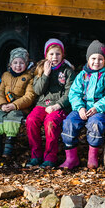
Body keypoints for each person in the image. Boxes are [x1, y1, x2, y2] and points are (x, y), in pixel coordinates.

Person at [61, 40, 105, 172]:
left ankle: (92, 156)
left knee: (96, 123)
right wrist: (80, 107)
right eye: (93, 58)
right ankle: (71, 158)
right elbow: (74, 93)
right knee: (69, 122)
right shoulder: (82, 75)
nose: (96, 62)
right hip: (81, 107)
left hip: (99, 109)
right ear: (88, 59)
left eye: (100, 59)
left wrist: (97, 107)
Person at [24, 39, 75, 168]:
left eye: (58, 54)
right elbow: (37, 90)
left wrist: (57, 105)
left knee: (50, 122)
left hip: (59, 105)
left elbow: (70, 93)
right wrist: (46, 74)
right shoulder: (41, 69)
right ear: (46, 55)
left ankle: (50, 157)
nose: (54, 57)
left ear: (62, 55)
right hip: (42, 104)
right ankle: (36, 155)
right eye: (51, 54)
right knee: (31, 120)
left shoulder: (67, 71)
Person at [0, 46, 36, 165]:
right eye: (15, 62)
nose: (18, 65)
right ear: (10, 64)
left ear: (26, 64)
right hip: (5, 106)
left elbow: (29, 96)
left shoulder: (29, 78)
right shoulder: (6, 76)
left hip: (20, 108)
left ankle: (9, 143)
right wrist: (2, 104)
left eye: (21, 63)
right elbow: (0, 92)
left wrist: (14, 105)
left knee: (12, 117)